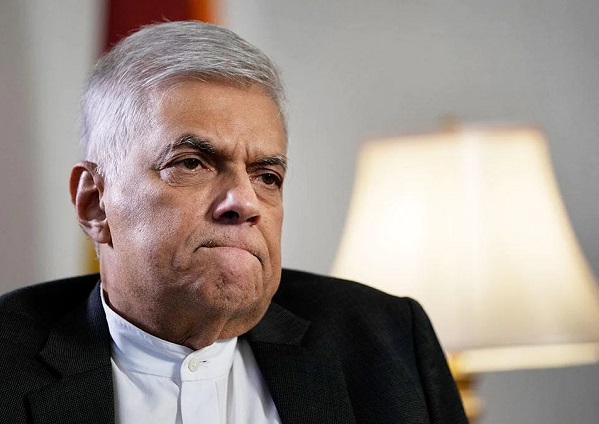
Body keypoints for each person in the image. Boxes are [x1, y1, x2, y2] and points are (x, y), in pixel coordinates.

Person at [0, 21, 467, 424]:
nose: (244, 202)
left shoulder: (387, 343)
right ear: (95, 204)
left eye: (267, 176)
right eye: (191, 163)